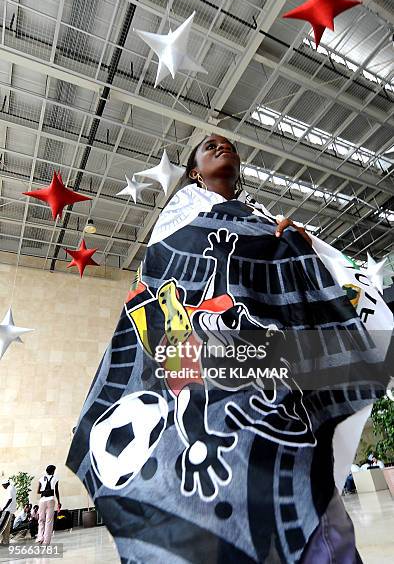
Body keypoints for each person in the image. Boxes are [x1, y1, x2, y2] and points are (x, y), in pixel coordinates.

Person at [67, 135, 393, 563]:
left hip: (272, 384)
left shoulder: (265, 221)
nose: (221, 145)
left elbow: (294, 296)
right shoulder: (176, 224)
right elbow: (164, 309)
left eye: (228, 144)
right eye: (208, 145)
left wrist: (299, 249)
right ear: (194, 171)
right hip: (208, 387)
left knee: (314, 510)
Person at [36, 465, 61, 546]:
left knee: (41, 520)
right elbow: (56, 491)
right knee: (49, 521)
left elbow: (38, 491)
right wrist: (59, 502)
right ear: (53, 471)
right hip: (51, 500)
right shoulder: (55, 479)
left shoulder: (41, 479)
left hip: (42, 500)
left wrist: (44, 491)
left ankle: (40, 538)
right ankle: (46, 541)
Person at [0, 480, 16, 546]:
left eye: (3, 486)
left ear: (5, 484)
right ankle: (5, 541)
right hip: (10, 510)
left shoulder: (9, 489)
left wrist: (4, 508)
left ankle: (5, 541)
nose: (3, 487)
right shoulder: (12, 488)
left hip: (7, 510)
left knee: (2, 525)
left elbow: (10, 499)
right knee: (7, 527)